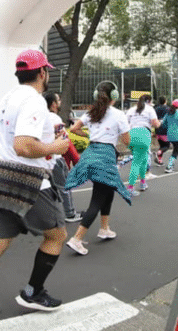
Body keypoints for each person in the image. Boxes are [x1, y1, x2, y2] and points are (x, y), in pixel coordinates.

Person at [0, 49, 71, 318]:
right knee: (57, 235)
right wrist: (58, 145)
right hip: (27, 181)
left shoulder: (8, 97)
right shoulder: (35, 101)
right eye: (47, 71)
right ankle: (33, 292)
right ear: (42, 72)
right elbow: (24, 145)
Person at [64, 81, 132, 256]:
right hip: (105, 157)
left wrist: (89, 135)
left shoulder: (91, 113)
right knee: (98, 198)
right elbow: (126, 141)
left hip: (90, 154)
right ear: (114, 96)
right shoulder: (118, 115)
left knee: (107, 191)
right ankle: (77, 239)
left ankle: (104, 228)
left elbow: (74, 129)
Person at [44, 91, 81, 222]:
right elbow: (66, 142)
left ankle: (51, 212)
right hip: (56, 158)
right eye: (58, 100)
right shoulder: (55, 119)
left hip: (44, 159)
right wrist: (74, 159)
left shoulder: (41, 118)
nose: (60, 103)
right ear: (53, 104)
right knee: (64, 187)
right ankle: (69, 213)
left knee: (49, 188)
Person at [125, 94, 160, 195]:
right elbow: (155, 123)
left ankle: (143, 182)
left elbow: (125, 123)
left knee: (143, 159)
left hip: (131, 135)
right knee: (137, 162)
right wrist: (160, 123)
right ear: (149, 101)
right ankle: (130, 187)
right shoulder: (149, 109)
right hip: (143, 135)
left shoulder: (131, 110)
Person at [158, 99, 178, 173]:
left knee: (175, 149)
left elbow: (164, 124)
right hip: (177, 135)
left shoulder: (168, 113)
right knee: (176, 151)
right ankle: (169, 166)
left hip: (169, 135)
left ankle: (171, 165)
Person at [153, 96, 169, 165]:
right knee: (166, 146)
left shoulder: (156, 109)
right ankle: (158, 153)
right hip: (165, 130)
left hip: (157, 130)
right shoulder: (168, 109)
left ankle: (160, 160)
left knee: (161, 146)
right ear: (165, 101)